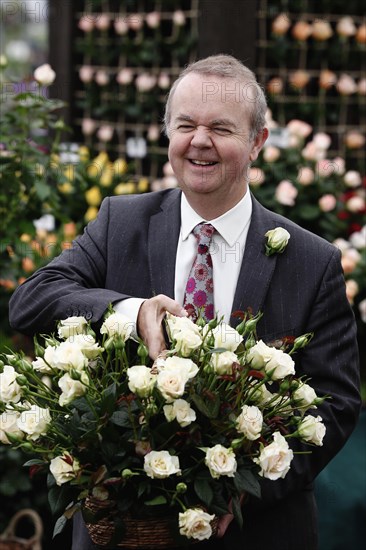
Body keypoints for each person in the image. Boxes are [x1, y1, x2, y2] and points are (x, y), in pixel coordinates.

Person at [9, 54, 361, 550]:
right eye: (185, 125)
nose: (199, 141)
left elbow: (337, 403)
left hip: (254, 532)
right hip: (120, 530)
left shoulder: (312, 260)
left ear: (258, 142)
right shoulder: (119, 223)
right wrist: (129, 313)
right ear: (167, 133)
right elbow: (31, 301)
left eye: (221, 128)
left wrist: (239, 492)